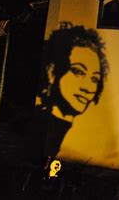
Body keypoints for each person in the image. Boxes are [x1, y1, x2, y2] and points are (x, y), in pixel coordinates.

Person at [24, 22, 109, 165]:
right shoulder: (36, 125)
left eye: (94, 79)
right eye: (78, 71)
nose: (88, 87)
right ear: (52, 71)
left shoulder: (86, 135)